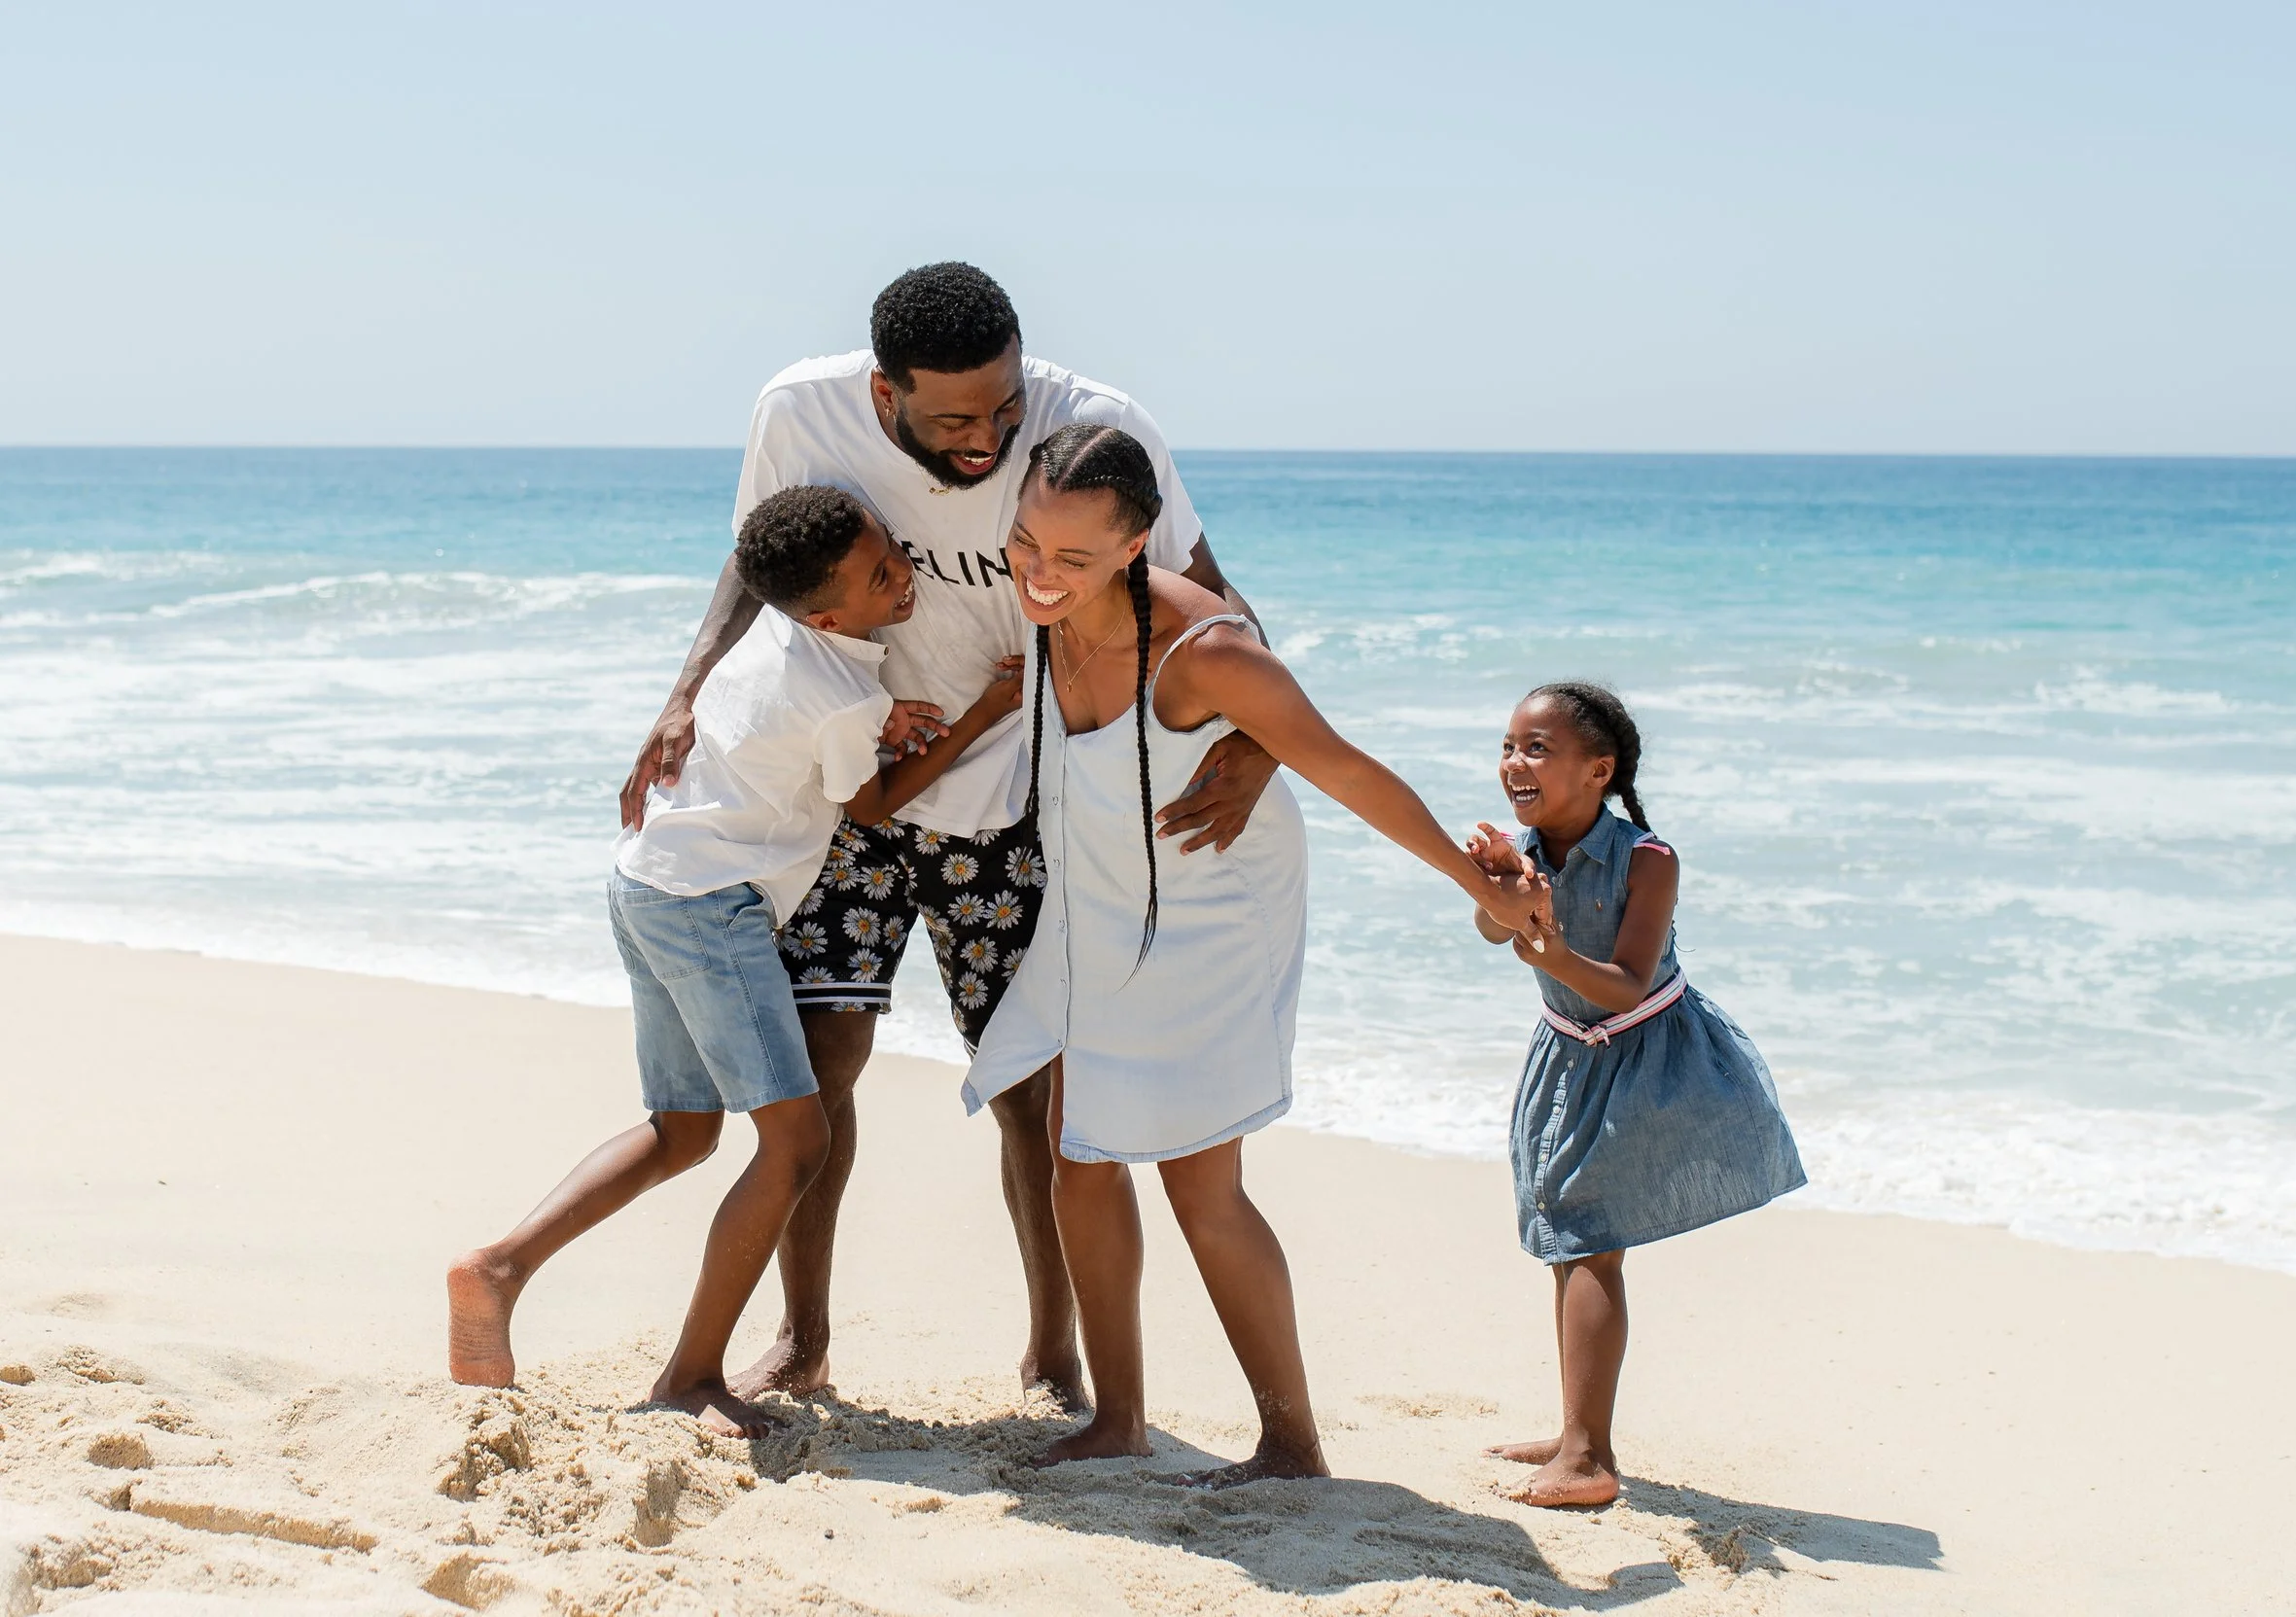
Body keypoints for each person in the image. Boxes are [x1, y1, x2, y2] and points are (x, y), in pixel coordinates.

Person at [620, 264, 1273, 1409]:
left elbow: (1211, 598)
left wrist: (1259, 743)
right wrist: (685, 692)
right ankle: (804, 1339)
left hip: (1014, 808)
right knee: (819, 1079)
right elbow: (758, 555)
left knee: (1032, 1090)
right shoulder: (801, 410)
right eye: (955, 419)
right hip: (848, 800)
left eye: (1004, 405)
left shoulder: (1092, 430)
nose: (989, 440)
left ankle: (1051, 1354)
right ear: (883, 397)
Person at [962, 424, 1548, 1486]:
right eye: (1024, 546)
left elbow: (1348, 769)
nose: (1040, 577)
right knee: (1078, 1150)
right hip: (1100, 896)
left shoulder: (1208, 652)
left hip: (1212, 911)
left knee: (1201, 1180)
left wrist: (1484, 890)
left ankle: (1291, 1441)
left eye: (1074, 559)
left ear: (1140, 544)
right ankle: (1120, 1418)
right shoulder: (1046, 602)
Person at [446, 485, 1022, 1436]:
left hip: (646, 885)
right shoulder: (848, 692)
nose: (905, 573)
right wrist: (985, 712)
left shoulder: (774, 641)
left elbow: (800, 734)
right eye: (883, 573)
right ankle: (691, 1373)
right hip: (712, 910)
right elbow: (869, 806)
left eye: (896, 552)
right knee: (796, 1141)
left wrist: (883, 721)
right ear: (830, 611)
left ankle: (499, 1266)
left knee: (682, 1130)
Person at [1466, 683, 1806, 1507]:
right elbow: (1489, 927)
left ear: (1599, 769)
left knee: (1590, 1238)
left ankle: (1587, 1457)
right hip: (1567, 1056)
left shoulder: (1649, 859)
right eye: (1509, 744)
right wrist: (1500, 891)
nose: (1515, 761)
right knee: (1568, 1236)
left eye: (1537, 746)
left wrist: (1542, 947)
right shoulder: (1524, 845)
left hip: (1646, 1057)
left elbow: (1624, 986)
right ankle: (1580, 1425)